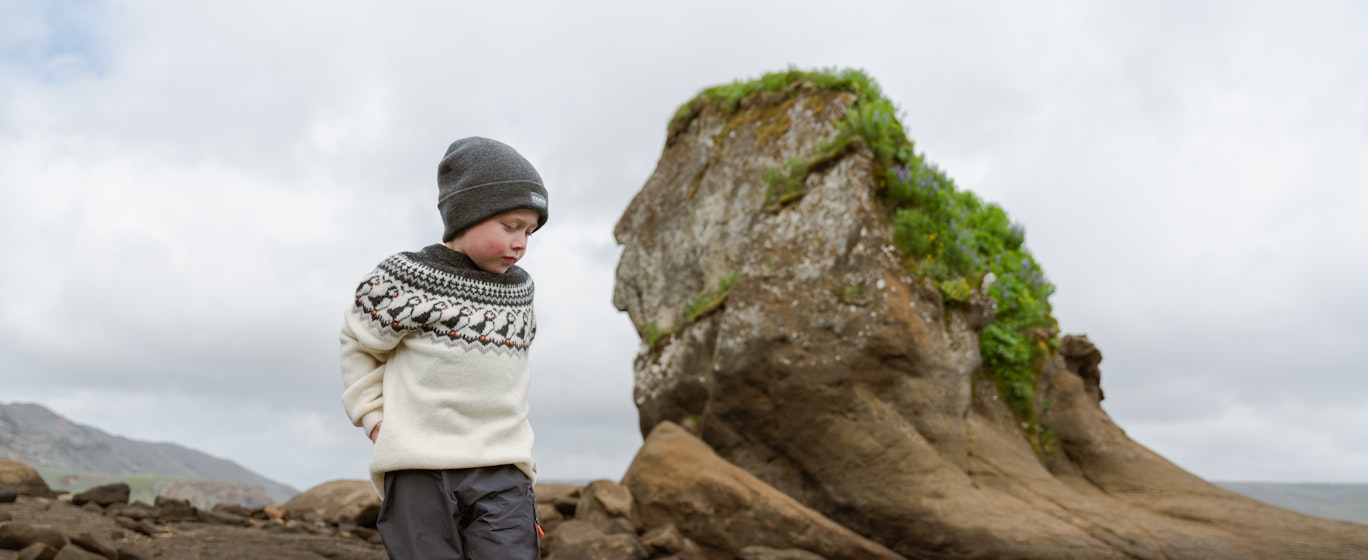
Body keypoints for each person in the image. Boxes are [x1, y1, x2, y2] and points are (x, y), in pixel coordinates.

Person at [339, 136, 548, 559]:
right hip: (418, 465)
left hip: (502, 467)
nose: (521, 242)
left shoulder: (521, 289)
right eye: (509, 226)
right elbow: (358, 346)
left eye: (529, 230)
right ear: (466, 216)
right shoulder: (405, 278)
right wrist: (373, 417)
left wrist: (520, 455)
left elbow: (511, 378)